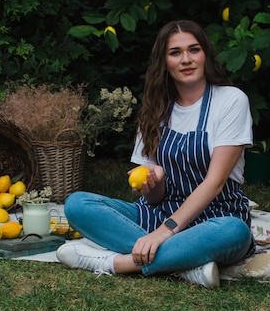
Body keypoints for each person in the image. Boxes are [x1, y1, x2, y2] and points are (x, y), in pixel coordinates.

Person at [56, 20, 254, 288]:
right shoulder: (154, 111)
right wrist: (155, 183)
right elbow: (152, 197)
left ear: (205, 54)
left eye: (194, 50)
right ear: (164, 62)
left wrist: (163, 233)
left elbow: (215, 182)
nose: (186, 59)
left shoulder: (231, 100)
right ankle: (185, 265)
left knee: (235, 232)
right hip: (158, 214)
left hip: (215, 217)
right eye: (175, 53)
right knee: (77, 204)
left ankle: (112, 263)